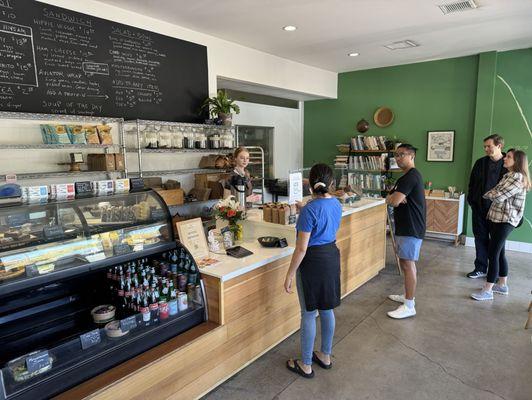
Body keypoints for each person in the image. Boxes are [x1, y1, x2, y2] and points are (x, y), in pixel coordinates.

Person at [284, 163, 342, 378]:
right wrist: (305, 209)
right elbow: (323, 216)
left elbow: (301, 249)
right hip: (331, 257)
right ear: (332, 184)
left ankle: (306, 363)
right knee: (327, 309)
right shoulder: (336, 203)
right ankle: (325, 355)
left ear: (310, 183)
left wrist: (290, 274)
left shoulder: (309, 210)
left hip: (312, 262)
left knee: (308, 313)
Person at [471, 149, 529, 301]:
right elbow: (495, 192)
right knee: (499, 252)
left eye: (508, 157)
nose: (505, 158)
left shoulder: (517, 177)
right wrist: (491, 193)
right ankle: (502, 285)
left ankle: (488, 289)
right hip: (498, 218)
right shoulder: (508, 175)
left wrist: (489, 194)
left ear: (516, 161)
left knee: (493, 253)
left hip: (505, 220)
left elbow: (498, 195)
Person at [385, 144, 426, 319]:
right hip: (404, 226)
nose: (398, 158)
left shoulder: (411, 176)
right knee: (404, 263)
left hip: (411, 227)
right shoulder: (405, 177)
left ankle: (409, 305)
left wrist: (394, 198)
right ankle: (408, 295)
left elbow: (394, 200)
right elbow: (393, 197)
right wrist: (394, 198)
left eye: (402, 155)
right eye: (396, 155)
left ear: (411, 156)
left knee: (408, 266)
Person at [466, 134, 507, 279]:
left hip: (499, 211)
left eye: (489, 146)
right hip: (479, 208)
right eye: (484, 146)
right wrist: (471, 200)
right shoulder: (480, 163)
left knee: (497, 244)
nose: (486, 149)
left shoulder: (508, 163)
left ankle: (495, 273)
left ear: (499, 146)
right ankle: (480, 268)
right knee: (480, 238)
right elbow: (471, 184)